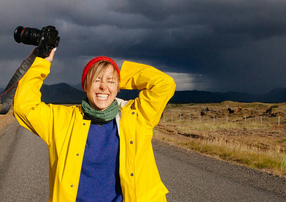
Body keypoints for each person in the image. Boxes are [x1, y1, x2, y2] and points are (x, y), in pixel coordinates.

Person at [13, 48, 176, 202]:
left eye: (110, 81)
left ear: (118, 86)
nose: (103, 86)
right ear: (85, 86)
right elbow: (24, 107)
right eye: (96, 80)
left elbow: (164, 84)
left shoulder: (137, 116)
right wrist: (41, 63)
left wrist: (118, 74)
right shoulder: (62, 120)